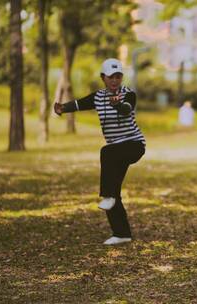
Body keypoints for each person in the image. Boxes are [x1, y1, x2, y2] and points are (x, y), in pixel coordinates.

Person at [53, 58, 146, 246]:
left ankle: (107, 195)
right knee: (114, 190)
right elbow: (80, 104)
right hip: (115, 150)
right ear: (103, 77)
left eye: (118, 77)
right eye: (111, 77)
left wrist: (117, 105)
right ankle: (121, 233)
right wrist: (63, 108)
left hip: (133, 145)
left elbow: (127, 109)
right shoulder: (98, 97)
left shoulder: (128, 94)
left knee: (106, 152)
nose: (114, 81)